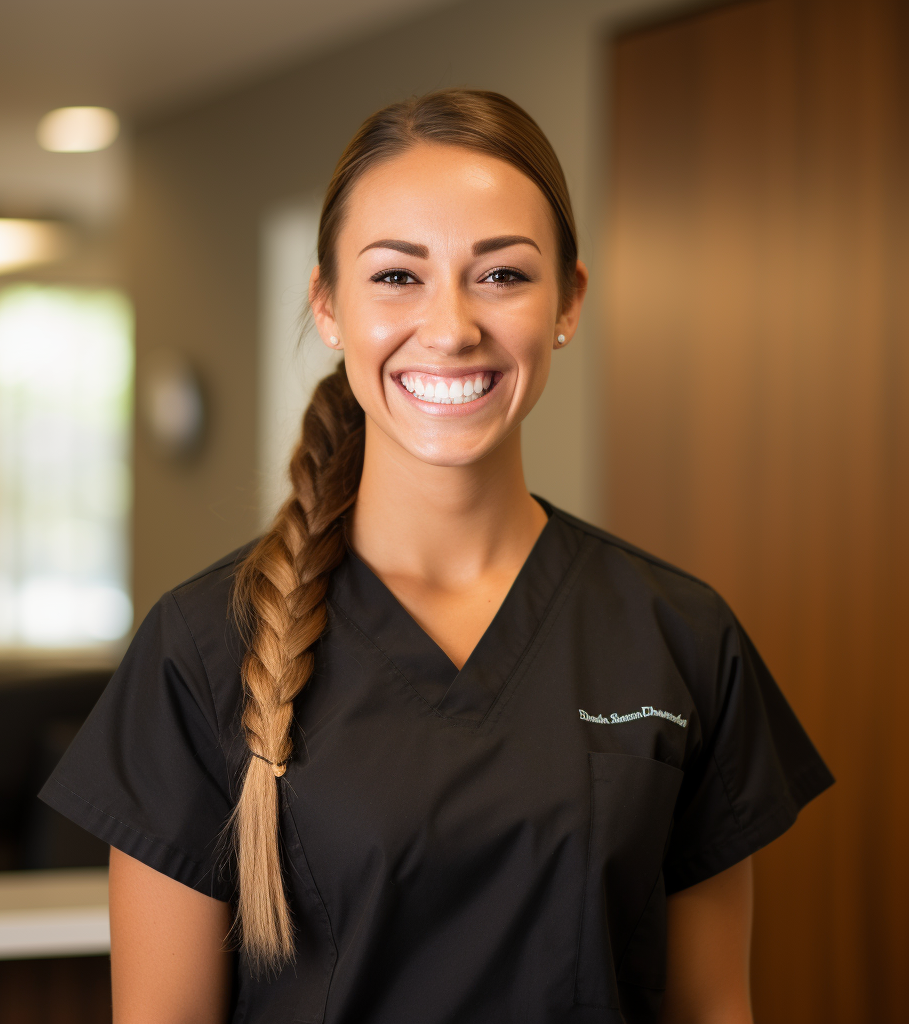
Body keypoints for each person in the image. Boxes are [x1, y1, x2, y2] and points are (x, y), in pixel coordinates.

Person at [40, 89, 833, 1024]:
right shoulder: (201, 647)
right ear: (328, 306)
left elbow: (712, 1008)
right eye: (397, 276)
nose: (452, 326)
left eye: (502, 276)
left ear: (568, 302)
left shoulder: (681, 635)